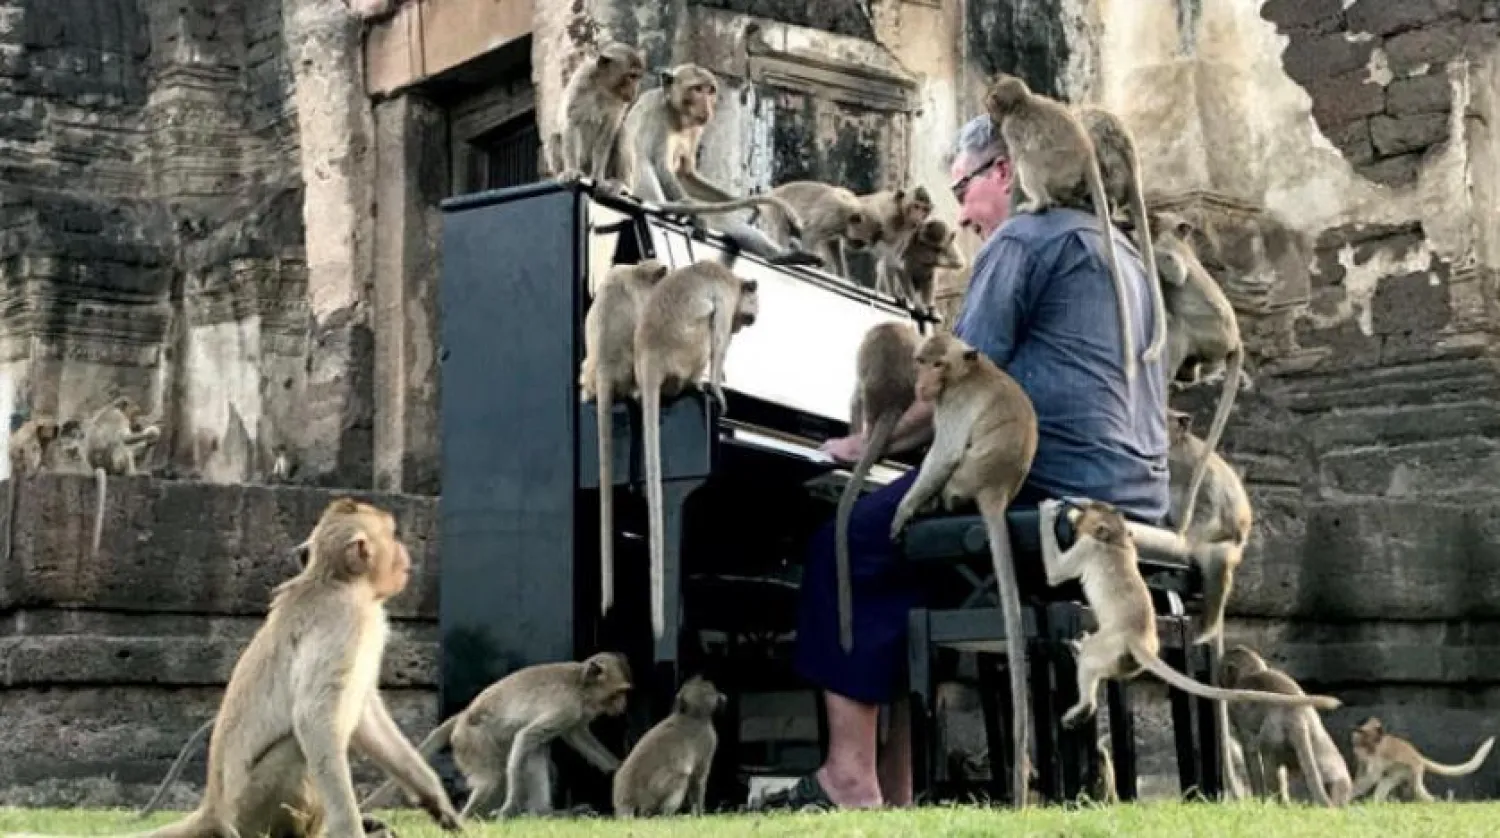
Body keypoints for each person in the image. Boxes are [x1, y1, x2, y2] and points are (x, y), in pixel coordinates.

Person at [758, 114, 1170, 811]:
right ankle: (899, 784)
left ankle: (847, 778)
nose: (961, 215)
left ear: (1003, 171)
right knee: (908, 554)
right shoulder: (1127, 251)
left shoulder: (1024, 238)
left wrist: (865, 444)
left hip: (1045, 483)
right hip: (1135, 493)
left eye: (963, 188)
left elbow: (951, 385)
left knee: (848, 539)